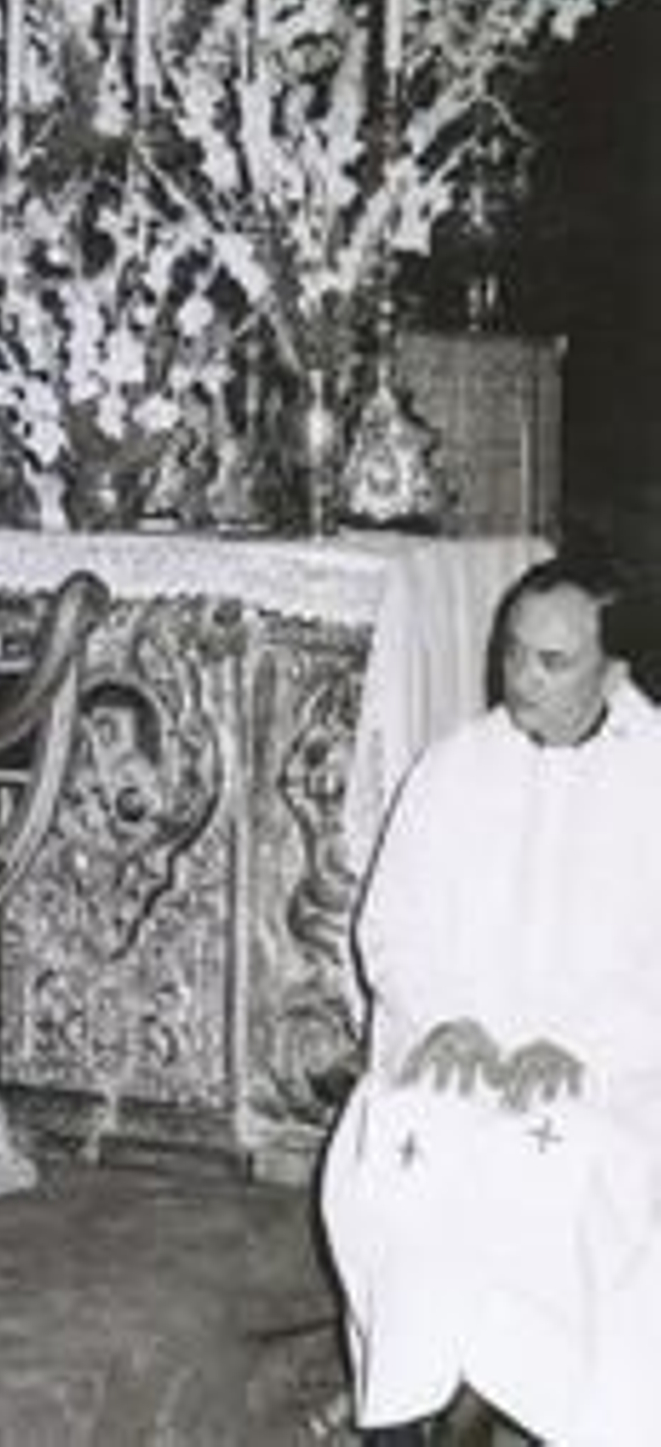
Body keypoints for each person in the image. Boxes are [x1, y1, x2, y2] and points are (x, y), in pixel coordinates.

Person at [320, 556, 661, 1446]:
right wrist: (442, 1017)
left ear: (614, 671)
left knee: (555, 1173)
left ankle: (535, 1402)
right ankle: (411, 1408)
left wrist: (586, 1046)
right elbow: (391, 925)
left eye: (553, 663)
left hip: (614, 1077)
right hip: (462, 1058)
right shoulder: (457, 766)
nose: (520, 682)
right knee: (410, 1157)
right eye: (513, 655)